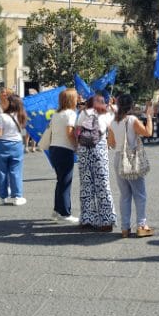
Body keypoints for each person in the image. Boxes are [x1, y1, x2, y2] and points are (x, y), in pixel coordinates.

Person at [109, 94, 155, 238]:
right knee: (140, 194)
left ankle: (125, 227)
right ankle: (141, 225)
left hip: (118, 158)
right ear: (130, 106)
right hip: (131, 159)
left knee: (125, 195)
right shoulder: (132, 120)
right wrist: (149, 116)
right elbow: (148, 132)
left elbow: (111, 143)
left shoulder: (113, 121)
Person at [76, 93, 116, 231]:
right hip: (99, 149)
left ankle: (87, 218)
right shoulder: (106, 115)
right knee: (103, 184)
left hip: (84, 150)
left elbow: (77, 130)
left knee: (86, 184)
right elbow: (111, 130)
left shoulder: (83, 113)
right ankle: (107, 220)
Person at [48, 88, 79, 223]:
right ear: (71, 100)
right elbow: (69, 132)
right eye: (76, 97)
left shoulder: (57, 114)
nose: (77, 100)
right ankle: (65, 213)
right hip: (65, 148)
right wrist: (76, 146)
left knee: (60, 180)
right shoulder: (70, 114)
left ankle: (57, 210)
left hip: (54, 148)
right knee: (65, 182)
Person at [0, 94, 27, 205]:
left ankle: (1, 197)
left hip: (2, 144)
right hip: (17, 144)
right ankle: (17, 196)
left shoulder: (3, 116)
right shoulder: (21, 115)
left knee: (1, 171)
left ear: (10, 104)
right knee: (16, 170)